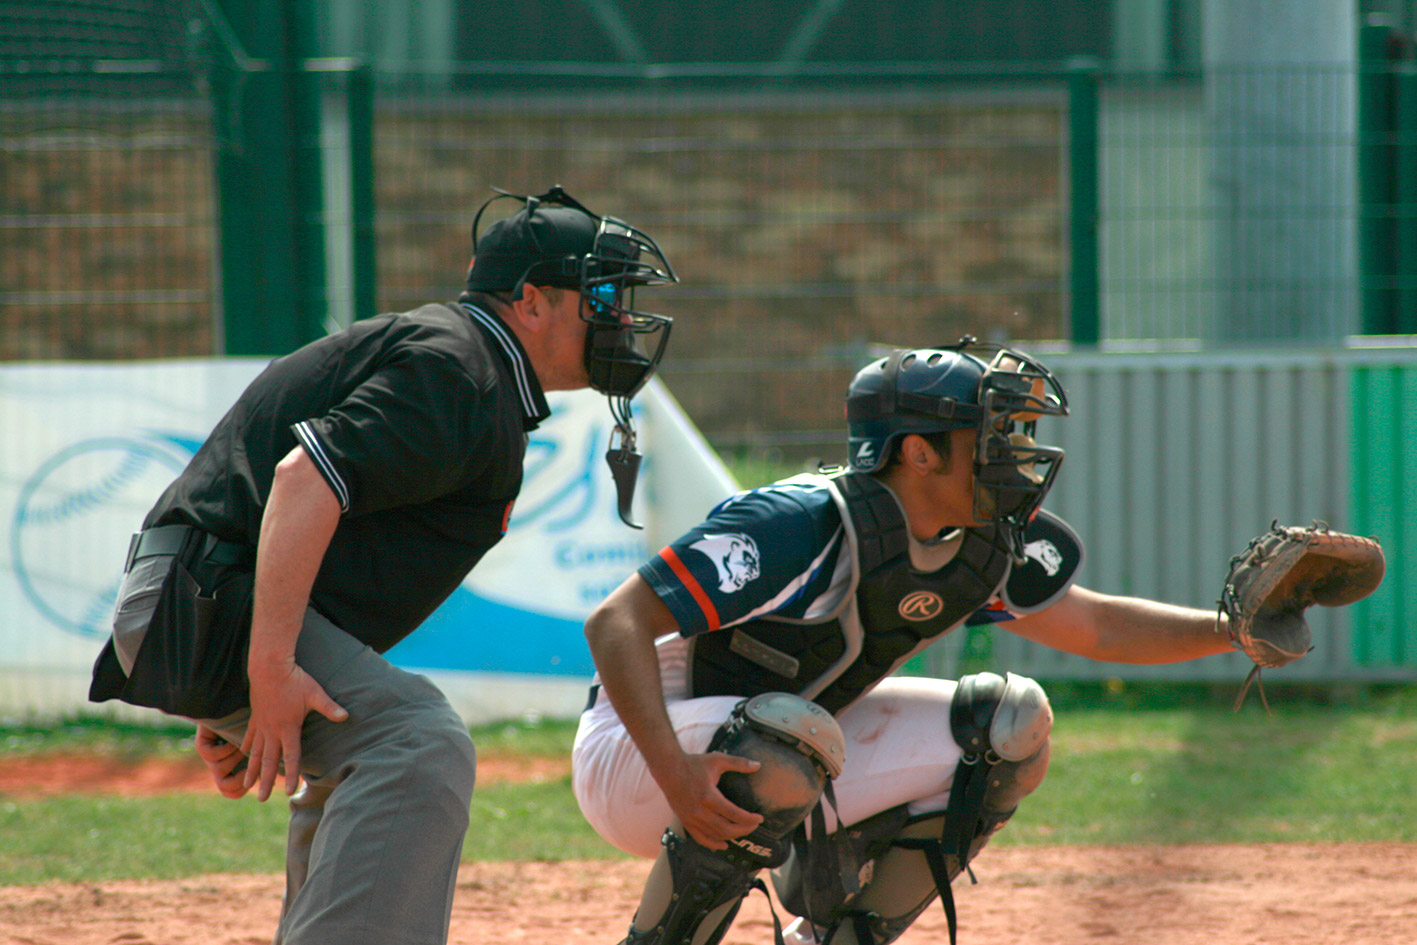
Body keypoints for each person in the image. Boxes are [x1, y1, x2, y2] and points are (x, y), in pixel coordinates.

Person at [87, 184, 678, 945]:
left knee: (369, 750)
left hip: (197, 597)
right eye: (599, 293)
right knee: (416, 743)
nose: (619, 315)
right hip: (207, 598)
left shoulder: (470, 367)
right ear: (531, 301)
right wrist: (265, 666)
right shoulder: (460, 370)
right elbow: (304, 479)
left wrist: (246, 684)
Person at [572, 339, 1250, 945]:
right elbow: (615, 622)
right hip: (635, 755)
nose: (1014, 452)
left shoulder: (979, 540)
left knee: (1007, 724)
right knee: (782, 740)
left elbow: (1094, 625)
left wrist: (1234, 630)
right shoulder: (801, 522)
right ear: (918, 451)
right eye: (992, 434)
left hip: (781, 739)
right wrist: (672, 770)